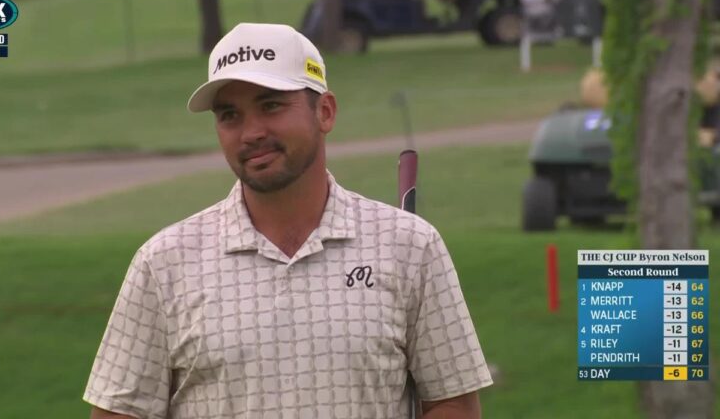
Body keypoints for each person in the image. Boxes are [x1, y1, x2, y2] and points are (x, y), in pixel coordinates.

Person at [83, 22, 492, 419]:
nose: (250, 132)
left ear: (325, 112)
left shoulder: (410, 247)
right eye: (230, 115)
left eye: (271, 105)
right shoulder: (163, 264)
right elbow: (122, 412)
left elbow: (451, 401)